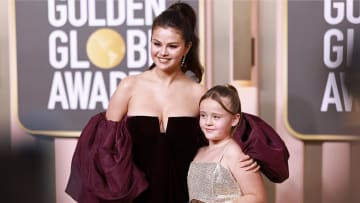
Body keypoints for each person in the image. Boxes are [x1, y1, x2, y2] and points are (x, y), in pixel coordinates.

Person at [66, 2, 288, 203]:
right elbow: (104, 150)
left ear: (187, 48)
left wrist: (247, 156)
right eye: (156, 43)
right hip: (137, 198)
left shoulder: (198, 93)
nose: (162, 52)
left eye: (172, 46)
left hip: (184, 196)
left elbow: (223, 133)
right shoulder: (128, 87)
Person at [187, 85, 267, 203]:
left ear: (235, 119)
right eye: (203, 115)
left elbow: (258, 198)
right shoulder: (200, 151)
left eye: (216, 117)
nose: (208, 122)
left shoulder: (234, 153)